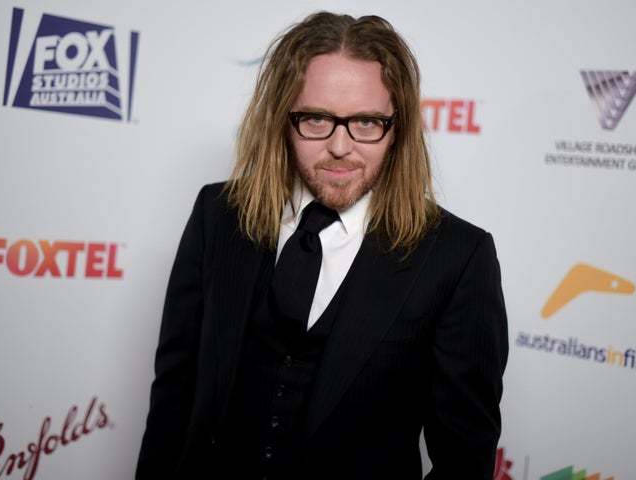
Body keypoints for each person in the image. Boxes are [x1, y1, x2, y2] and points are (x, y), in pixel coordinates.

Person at [136, 11, 508, 480]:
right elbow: (173, 397)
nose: (340, 146)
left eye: (368, 123)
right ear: (282, 119)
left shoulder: (457, 256)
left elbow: (463, 460)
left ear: (398, 129)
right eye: (315, 118)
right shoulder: (218, 214)